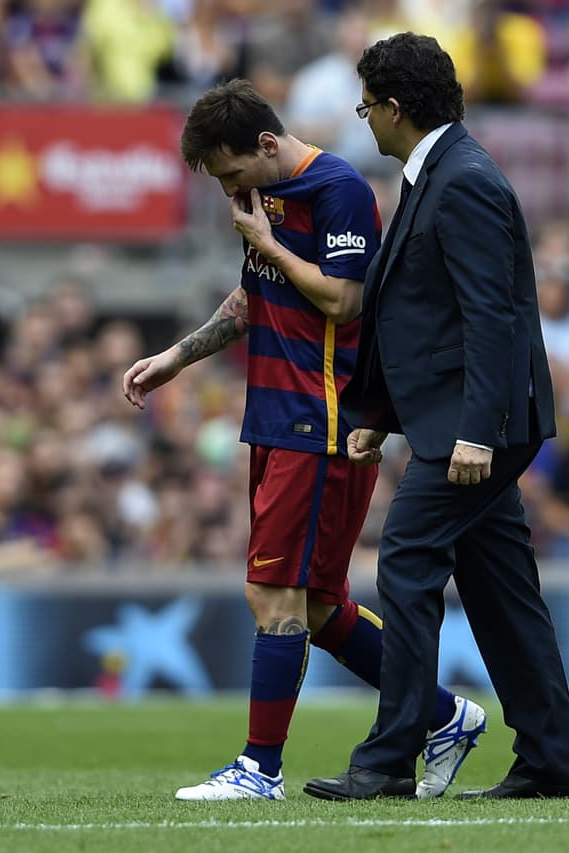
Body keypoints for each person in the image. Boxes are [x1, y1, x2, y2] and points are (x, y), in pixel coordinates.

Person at [121, 79, 485, 803]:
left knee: (273, 591)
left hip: (320, 422)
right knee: (315, 605)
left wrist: (265, 242)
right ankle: (445, 716)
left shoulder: (339, 190)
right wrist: (177, 357)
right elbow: (256, 294)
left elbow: (346, 298)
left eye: (230, 173)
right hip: (275, 417)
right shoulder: (266, 198)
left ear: (264, 144)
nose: (229, 189)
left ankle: (260, 768)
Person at [303, 33, 569, 801]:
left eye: (366, 105)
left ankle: (391, 755)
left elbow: (491, 318)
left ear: (395, 108)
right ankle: (552, 760)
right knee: (500, 589)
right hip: (459, 416)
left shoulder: (461, 181)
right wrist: (382, 413)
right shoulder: (438, 175)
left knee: (407, 554)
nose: (361, 118)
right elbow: (425, 314)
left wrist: (476, 431)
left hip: (477, 424)